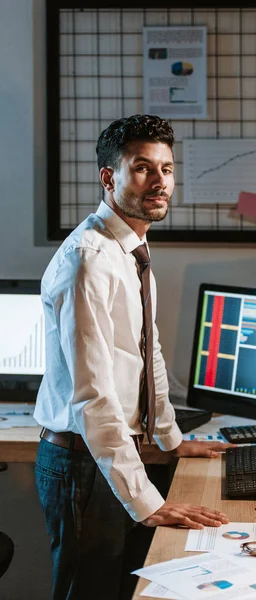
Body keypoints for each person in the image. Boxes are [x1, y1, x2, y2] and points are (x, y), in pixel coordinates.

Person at [33, 114, 234, 600]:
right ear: (109, 177)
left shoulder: (131, 246)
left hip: (113, 455)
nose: (160, 181)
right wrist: (146, 502)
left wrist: (169, 438)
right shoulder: (88, 261)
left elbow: (147, 351)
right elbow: (94, 398)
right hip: (83, 462)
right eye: (143, 168)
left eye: (166, 168)